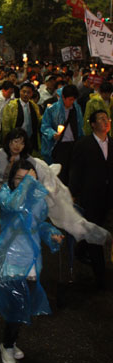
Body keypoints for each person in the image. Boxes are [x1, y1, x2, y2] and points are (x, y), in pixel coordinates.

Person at [0, 159, 64, 363]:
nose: (23, 182)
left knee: (23, 304)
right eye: (19, 178)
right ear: (12, 178)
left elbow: (39, 224)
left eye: (27, 178)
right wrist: (29, 183)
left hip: (31, 260)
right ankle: (7, 345)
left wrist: (52, 234)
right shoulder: (5, 194)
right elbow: (14, 205)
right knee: (16, 304)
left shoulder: (38, 198)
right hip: (11, 259)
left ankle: (11, 342)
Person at [69, 110, 113, 289]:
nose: (106, 121)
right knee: (94, 232)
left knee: (100, 225)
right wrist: (73, 192)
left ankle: (81, 249)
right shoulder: (84, 144)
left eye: (107, 118)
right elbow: (76, 170)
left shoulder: (111, 143)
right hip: (91, 195)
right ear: (93, 124)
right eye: (101, 119)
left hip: (108, 196)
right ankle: (100, 276)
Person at [41, 85, 83, 184]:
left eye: (74, 99)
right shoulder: (52, 109)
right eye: (70, 99)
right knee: (60, 173)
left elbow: (80, 126)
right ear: (63, 97)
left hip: (74, 144)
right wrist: (53, 134)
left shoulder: (76, 108)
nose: (72, 102)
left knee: (73, 172)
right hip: (60, 145)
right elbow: (45, 126)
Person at [2, 82, 41, 153]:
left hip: (30, 138)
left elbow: (38, 121)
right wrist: (8, 140)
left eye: (28, 92)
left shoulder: (34, 106)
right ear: (20, 92)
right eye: (24, 92)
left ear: (32, 94)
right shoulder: (11, 105)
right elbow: (6, 125)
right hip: (16, 139)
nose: (25, 94)